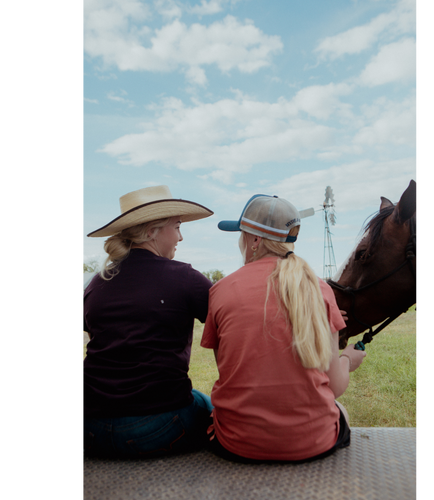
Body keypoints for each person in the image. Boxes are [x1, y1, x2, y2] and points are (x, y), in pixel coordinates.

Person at [201, 194, 366, 463]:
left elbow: (229, 371)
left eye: (242, 234)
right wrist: (347, 359)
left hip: (236, 444)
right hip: (313, 444)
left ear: (255, 240)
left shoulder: (221, 290)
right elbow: (334, 387)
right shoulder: (320, 289)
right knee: (340, 409)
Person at [80, 185, 215, 458]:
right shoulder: (184, 277)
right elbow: (230, 318)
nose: (181, 236)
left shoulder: (98, 281)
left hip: (90, 426)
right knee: (207, 403)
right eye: (177, 226)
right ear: (152, 230)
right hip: (158, 426)